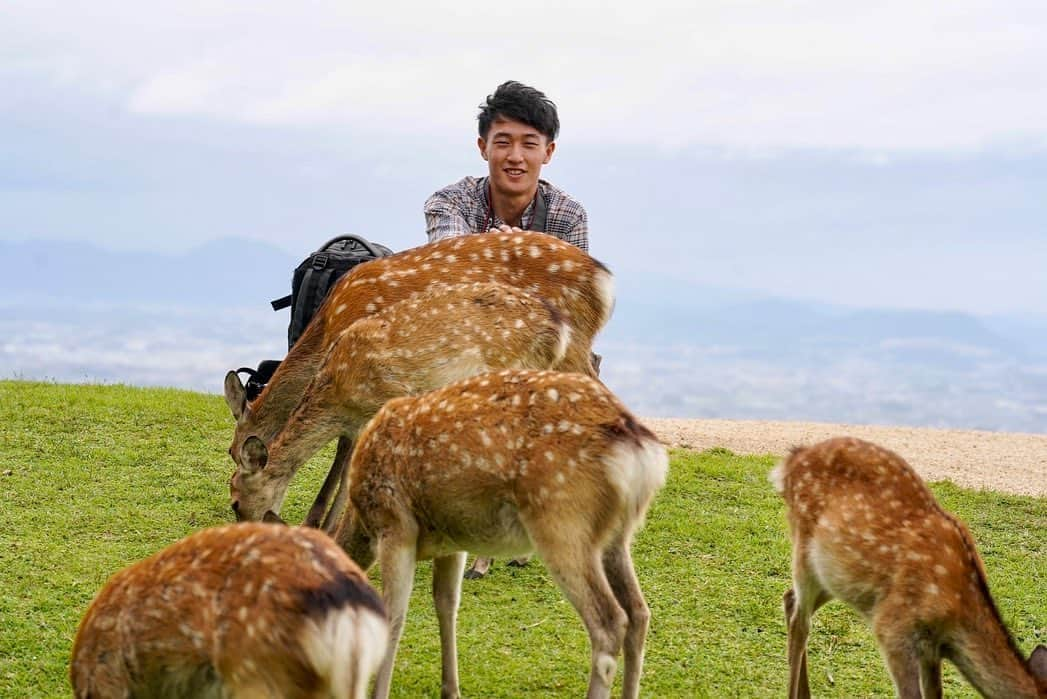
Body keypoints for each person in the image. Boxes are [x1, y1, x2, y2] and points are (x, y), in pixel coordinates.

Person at [424, 81, 589, 251]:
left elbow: (576, 277)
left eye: (529, 144)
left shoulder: (569, 215)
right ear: (483, 148)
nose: (516, 157)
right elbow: (450, 258)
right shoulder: (451, 202)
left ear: (548, 152)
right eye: (503, 142)